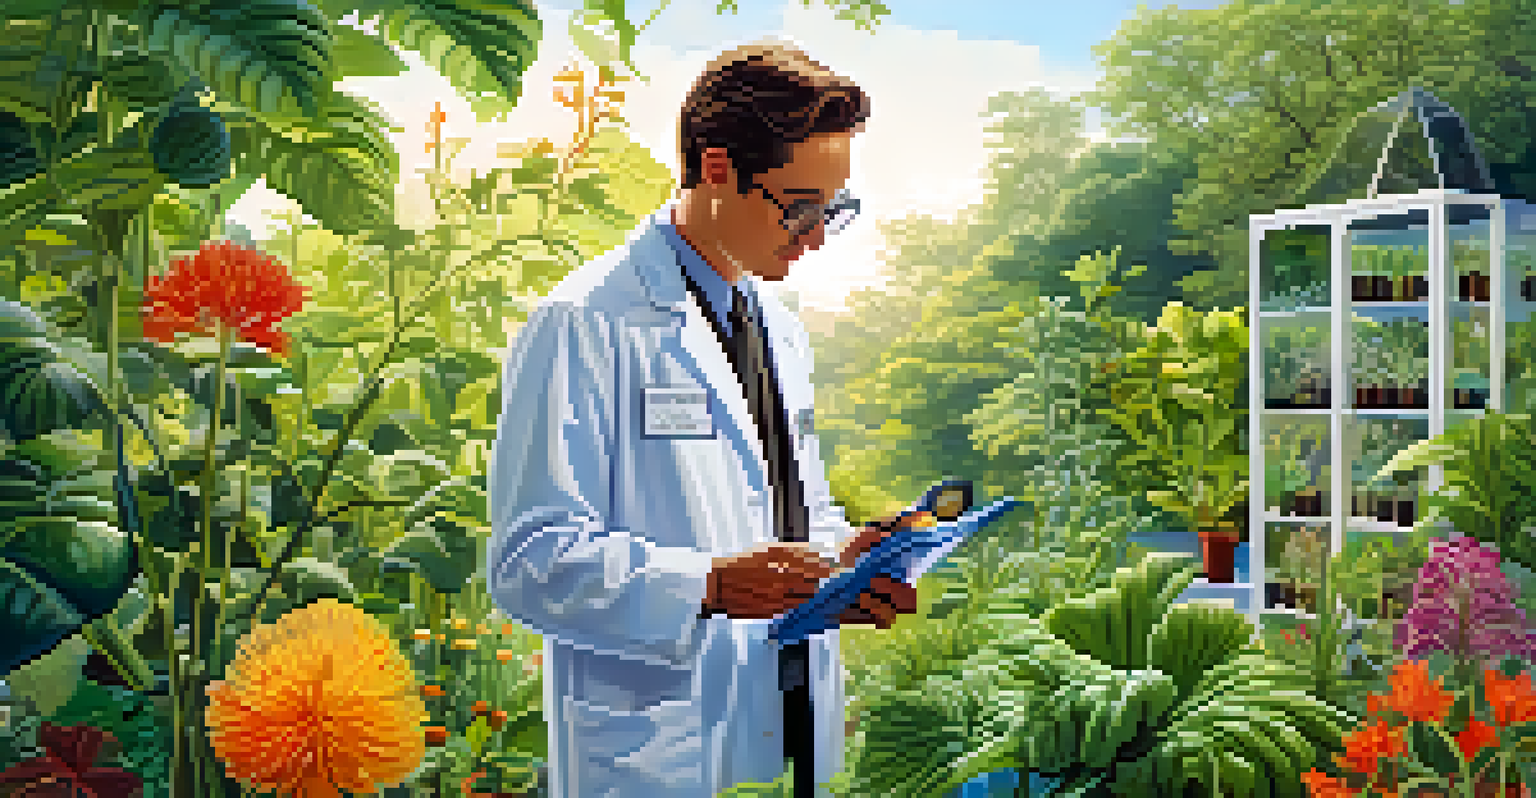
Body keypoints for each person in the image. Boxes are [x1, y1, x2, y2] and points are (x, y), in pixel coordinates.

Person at [485, 39, 927, 798]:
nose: (817, 237)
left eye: (833, 211)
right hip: (657, 751)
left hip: (791, 724)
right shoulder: (584, 322)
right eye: (801, 209)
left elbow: (789, 513)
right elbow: (530, 559)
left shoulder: (779, 332)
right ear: (716, 169)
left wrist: (842, 560)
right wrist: (707, 586)